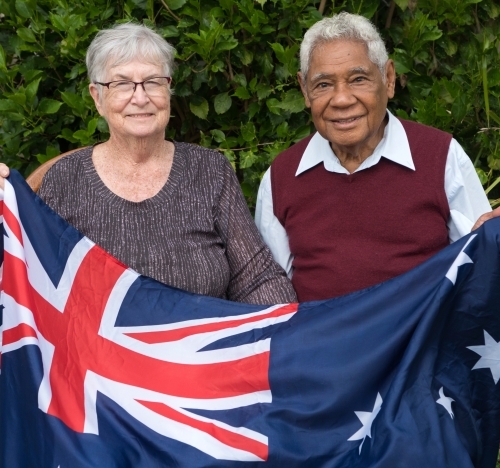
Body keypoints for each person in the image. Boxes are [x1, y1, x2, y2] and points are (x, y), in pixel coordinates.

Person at [0, 23, 296, 305]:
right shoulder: (64, 180)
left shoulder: (209, 171)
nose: (140, 98)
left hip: (202, 353)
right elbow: (25, 280)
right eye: (122, 84)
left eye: (153, 82)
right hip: (95, 356)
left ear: (168, 90)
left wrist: (289, 336)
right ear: (98, 98)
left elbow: (256, 277)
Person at [255, 12, 500, 302]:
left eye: (358, 79)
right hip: (322, 344)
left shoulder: (440, 156)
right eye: (323, 84)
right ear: (305, 90)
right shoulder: (282, 175)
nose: (342, 99)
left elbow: (479, 266)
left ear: (389, 79)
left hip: (420, 343)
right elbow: (269, 293)